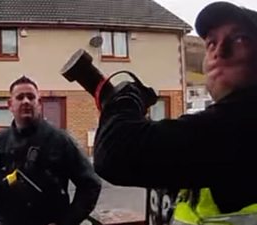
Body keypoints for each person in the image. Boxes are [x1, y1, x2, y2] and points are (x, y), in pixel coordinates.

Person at [93, 1, 257, 225]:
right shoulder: (218, 127)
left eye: (239, 39)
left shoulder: (246, 121)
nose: (220, 51)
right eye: (210, 43)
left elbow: (116, 152)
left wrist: (125, 98)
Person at [0, 75, 101, 225]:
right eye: (20, 97)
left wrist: (67, 221)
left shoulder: (59, 140)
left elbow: (90, 184)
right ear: (10, 105)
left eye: (31, 97)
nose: (26, 101)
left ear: (39, 103)